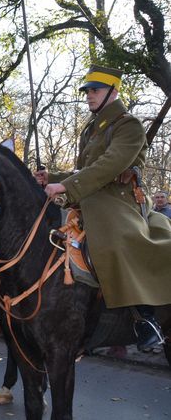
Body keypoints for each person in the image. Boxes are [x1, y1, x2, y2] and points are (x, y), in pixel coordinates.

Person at [34, 64, 171, 351]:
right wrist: (55, 178)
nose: (89, 95)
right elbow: (84, 168)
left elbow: (111, 165)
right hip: (88, 198)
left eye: (94, 90)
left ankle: (144, 318)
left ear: (113, 91)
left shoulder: (128, 125)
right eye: (86, 91)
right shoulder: (93, 128)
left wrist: (67, 187)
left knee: (116, 239)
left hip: (120, 201)